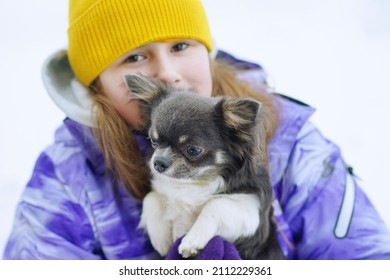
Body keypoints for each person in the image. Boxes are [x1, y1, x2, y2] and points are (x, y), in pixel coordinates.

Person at [3, 0, 390, 260]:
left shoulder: (290, 143)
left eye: (181, 46)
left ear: (206, 50)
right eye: (134, 56)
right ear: (96, 83)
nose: (167, 74)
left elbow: (364, 259)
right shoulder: (69, 176)